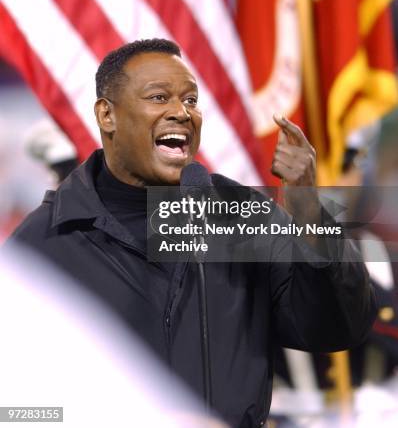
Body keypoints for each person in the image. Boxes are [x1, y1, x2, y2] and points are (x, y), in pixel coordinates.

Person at [6, 39, 376, 428]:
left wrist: (307, 210)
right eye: (159, 97)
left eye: (191, 100)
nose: (181, 113)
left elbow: (338, 327)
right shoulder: (43, 243)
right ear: (107, 115)